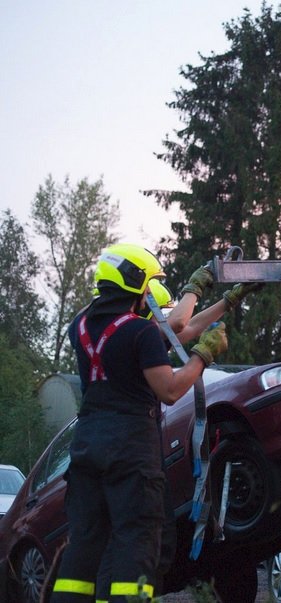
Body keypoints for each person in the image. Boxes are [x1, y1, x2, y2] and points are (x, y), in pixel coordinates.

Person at [50, 243, 229, 602]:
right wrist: (203, 357)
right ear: (134, 282)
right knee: (138, 542)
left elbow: (180, 327)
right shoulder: (140, 332)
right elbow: (169, 389)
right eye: (148, 285)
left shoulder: (79, 326)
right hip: (130, 451)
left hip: (86, 449)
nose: (150, 294)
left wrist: (229, 302)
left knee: (85, 544)